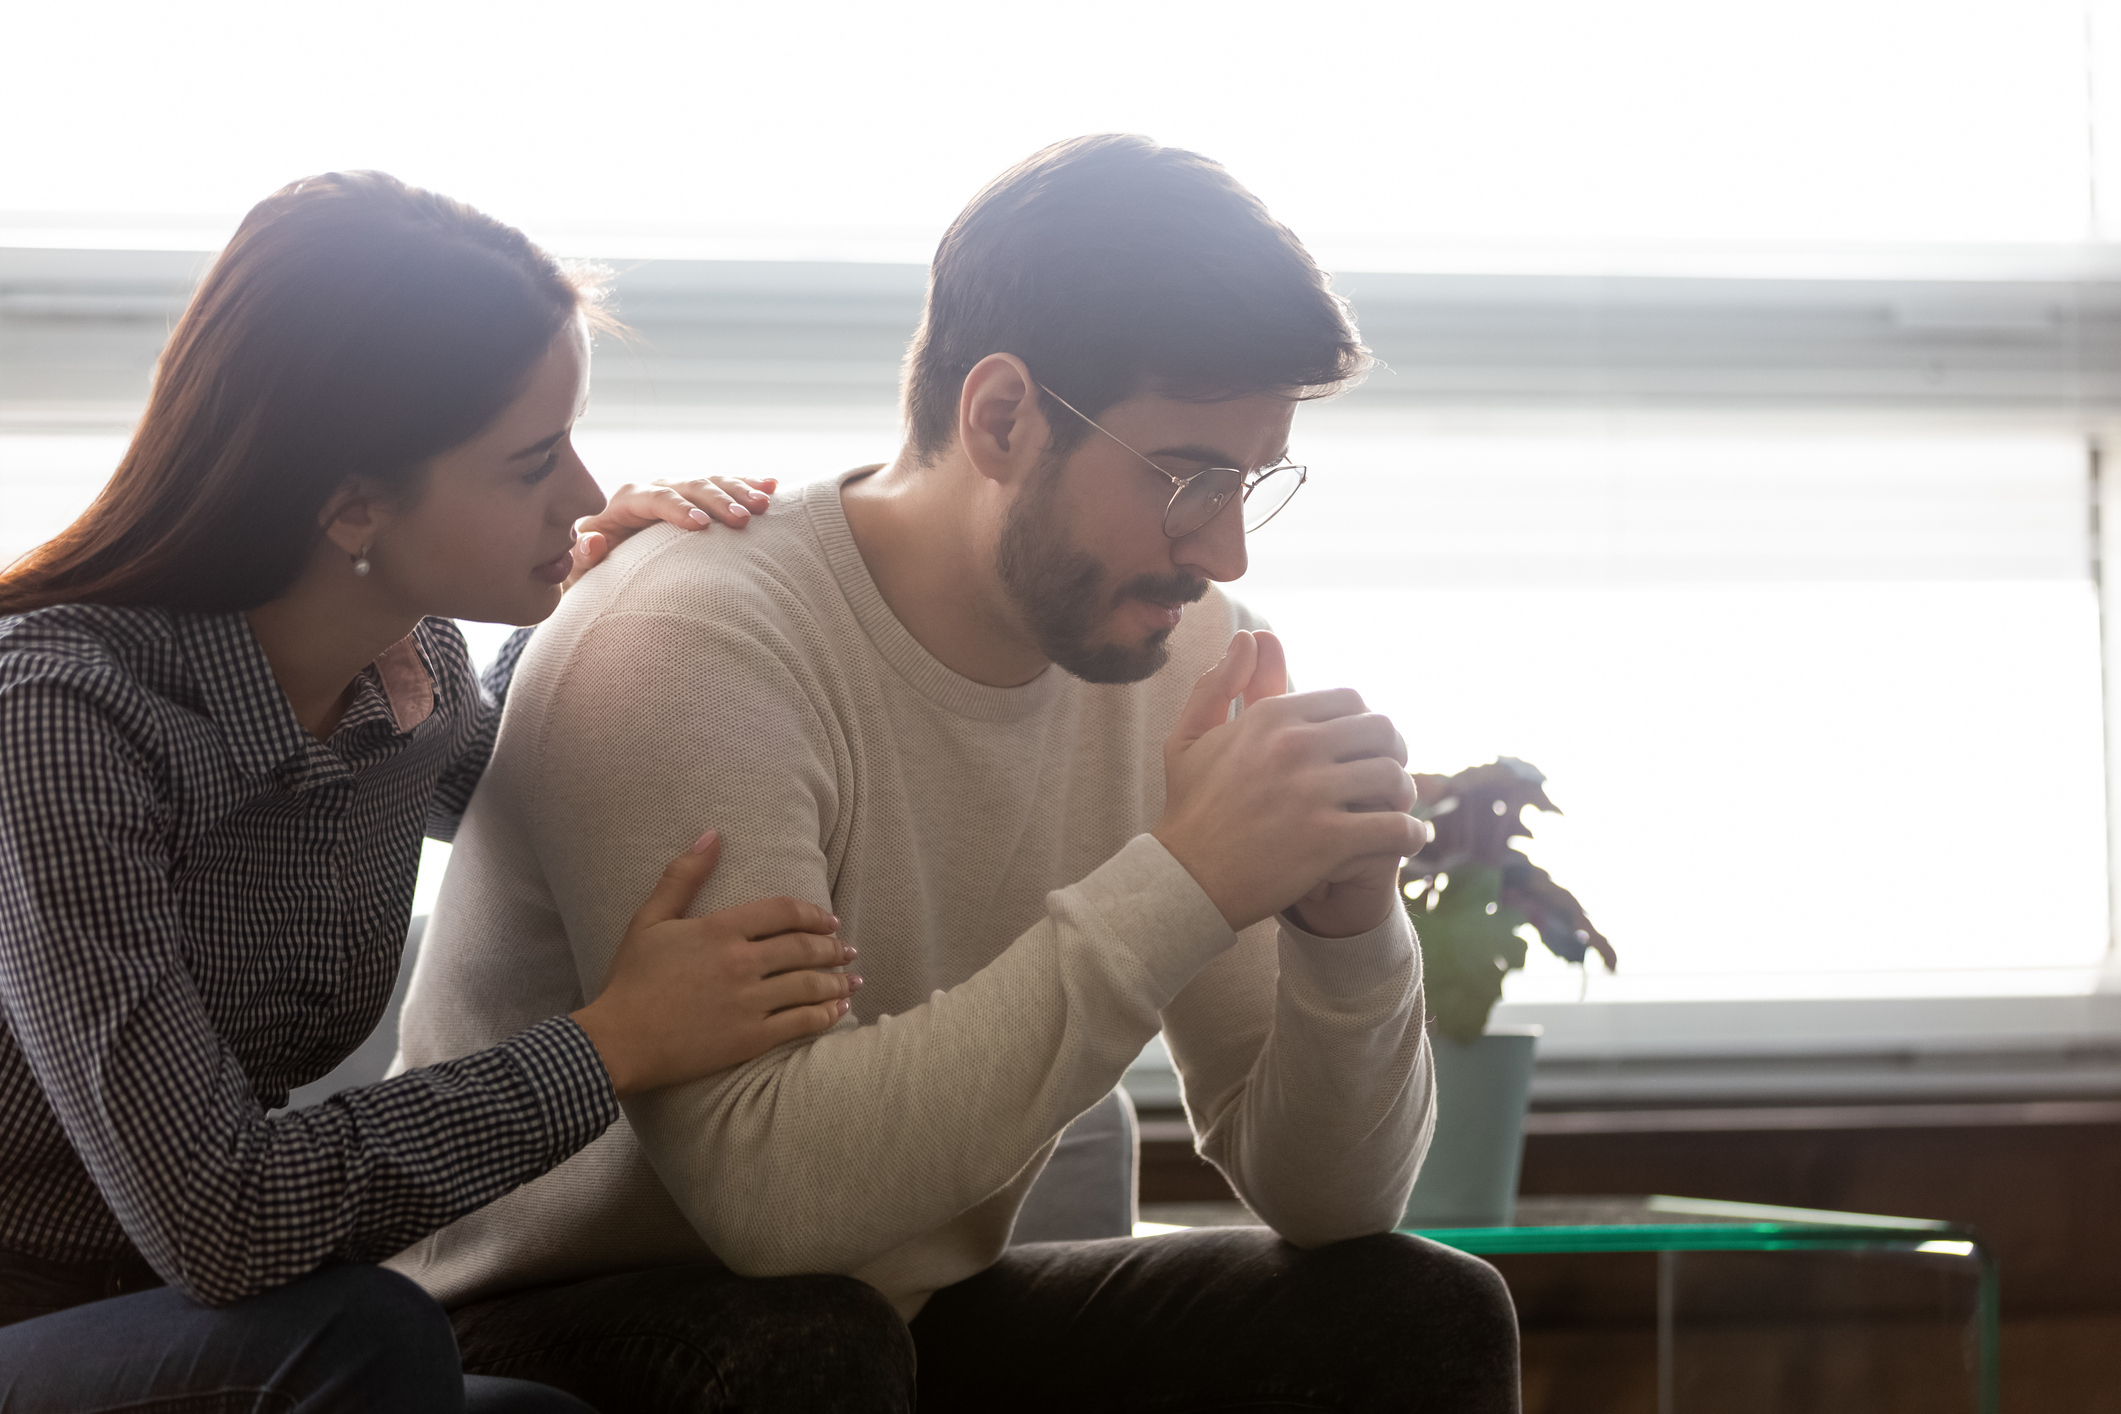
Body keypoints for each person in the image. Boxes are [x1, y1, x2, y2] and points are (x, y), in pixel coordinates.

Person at [398, 135, 1522, 1412]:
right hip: (535, 1320)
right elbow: (770, 1202)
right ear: (1000, 417)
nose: (1225, 552)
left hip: (892, 1308)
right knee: (807, 1342)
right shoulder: (691, 643)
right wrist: (1193, 876)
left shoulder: (1187, 647)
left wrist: (1346, 927)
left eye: (1251, 481)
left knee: (1412, 1310)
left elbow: (1336, 1200)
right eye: (1189, 477)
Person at [0, 172, 907, 1411]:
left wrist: (609, 601)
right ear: (353, 503)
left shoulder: (409, 665)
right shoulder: (60, 719)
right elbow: (225, 1220)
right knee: (368, 1336)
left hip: (208, 1326)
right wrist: (615, 1041)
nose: (587, 491)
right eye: (533, 461)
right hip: (60, 1312)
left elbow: (531, 786)